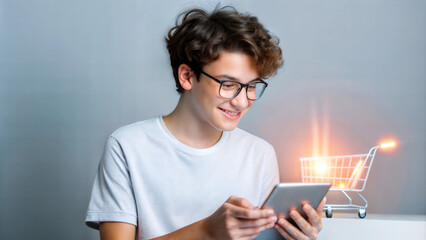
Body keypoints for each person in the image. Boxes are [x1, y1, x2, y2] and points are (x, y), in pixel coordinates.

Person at [85, 6, 325, 240]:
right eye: (228, 84)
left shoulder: (259, 154)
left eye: (251, 86)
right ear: (187, 76)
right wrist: (207, 232)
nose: (242, 101)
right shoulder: (127, 146)